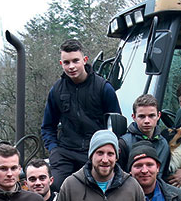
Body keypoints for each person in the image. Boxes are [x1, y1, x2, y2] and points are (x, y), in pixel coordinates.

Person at [41, 39, 122, 189]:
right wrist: (54, 150)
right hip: (65, 153)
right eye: (67, 62)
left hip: (94, 153)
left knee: (95, 192)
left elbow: (117, 126)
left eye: (75, 61)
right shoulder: (57, 90)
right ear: (61, 64)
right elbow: (47, 126)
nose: (71, 66)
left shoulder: (103, 88)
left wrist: (108, 151)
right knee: (54, 188)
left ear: (84, 60)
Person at [121, 94, 171, 173]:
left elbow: (164, 177)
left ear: (158, 116)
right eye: (142, 116)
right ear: (134, 117)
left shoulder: (163, 144)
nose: (147, 121)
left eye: (151, 116)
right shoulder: (124, 144)